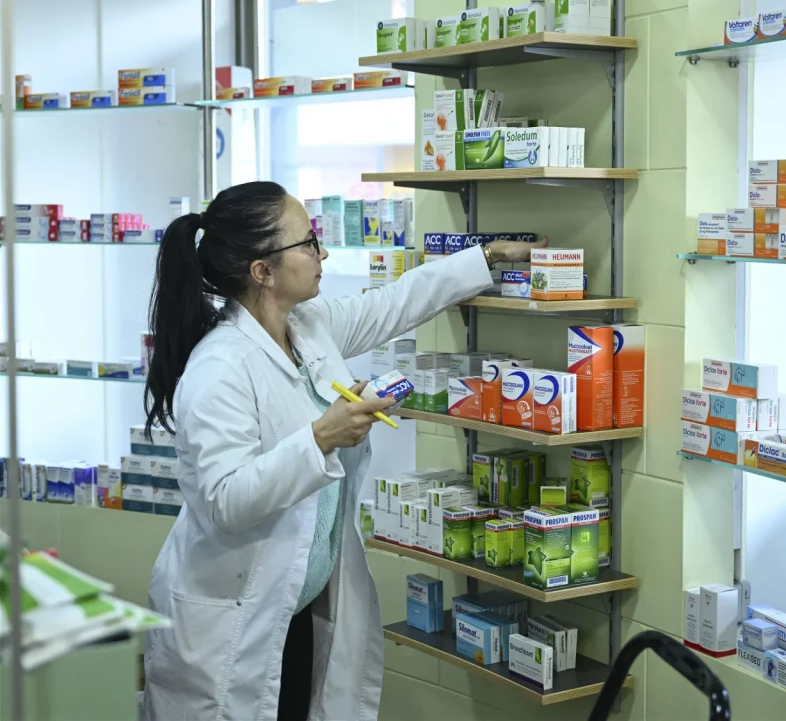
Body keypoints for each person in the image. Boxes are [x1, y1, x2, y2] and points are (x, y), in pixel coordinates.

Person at [140, 181, 542, 721]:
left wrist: (488, 257)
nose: (322, 253)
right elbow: (223, 501)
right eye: (308, 243)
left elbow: (394, 303)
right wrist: (321, 437)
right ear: (262, 271)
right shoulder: (222, 366)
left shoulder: (307, 327)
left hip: (296, 608)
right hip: (232, 623)